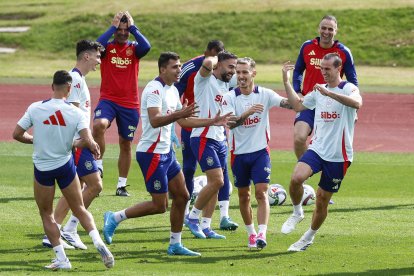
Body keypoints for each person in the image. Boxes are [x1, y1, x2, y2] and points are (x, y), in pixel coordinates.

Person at [101, 52, 232, 256]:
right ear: (162, 69)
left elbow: (184, 121)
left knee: (183, 196)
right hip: (151, 153)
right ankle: (115, 217)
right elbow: (155, 120)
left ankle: (175, 244)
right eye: (175, 67)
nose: (179, 70)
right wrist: (180, 113)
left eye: (180, 66)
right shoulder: (154, 89)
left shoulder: (172, 91)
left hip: (166, 153)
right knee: (159, 205)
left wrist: (211, 121)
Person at [12, 70, 114, 270]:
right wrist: (91, 146)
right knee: (80, 208)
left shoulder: (35, 108)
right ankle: (97, 242)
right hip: (65, 166)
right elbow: (86, 140)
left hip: (43, 168)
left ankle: (62, 259)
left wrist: (34, 139)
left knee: (47, 214)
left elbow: (17, 134)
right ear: (69, 88)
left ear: (52, 87)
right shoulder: (76, 112)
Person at [281, 54, 362, 251]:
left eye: (328, 69)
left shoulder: (349, 89)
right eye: (322, 69)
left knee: (322, 201)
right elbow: (298, 106)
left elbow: (356, 104)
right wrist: (286, 81)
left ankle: (308, 237)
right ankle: (297, 212)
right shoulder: (319, 90)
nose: (323, 72)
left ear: (338, 68)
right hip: (317, 149)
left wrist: (330, 94)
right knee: (296, 178)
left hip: (339, 156)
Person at [222, 57, 292, 249]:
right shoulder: (229, 97)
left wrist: (287, 82)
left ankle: (262, 233)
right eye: (238, 72)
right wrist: (249, 112)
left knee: (261, 193)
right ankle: (251, 233)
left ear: (253, 73)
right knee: (244, 196)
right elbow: (230, 123)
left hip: (260, 152)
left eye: (245, 72)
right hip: (238, 154)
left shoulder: (265, 94)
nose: (241, 76)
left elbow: (290, 104)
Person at [41, 40, 104, 250]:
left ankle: (58, 231)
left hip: (79, 142)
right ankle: (66, 229)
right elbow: (73, 115)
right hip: (79, 144)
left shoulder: (78, 79)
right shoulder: (75, 80)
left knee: (76, 188)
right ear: (86, 56)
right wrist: (87, 141)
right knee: (94, 185)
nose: (99, 61)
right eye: (97, 56)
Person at [292, 14, 358, 205]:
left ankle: (321, 186)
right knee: (299, 138)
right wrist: (297, 91)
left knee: (329, 145)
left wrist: (355, 110)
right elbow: (297, 70)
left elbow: (353, 80)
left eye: (330, 29)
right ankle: (305, 179)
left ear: (335, 31)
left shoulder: (344, 52)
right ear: (318, 29)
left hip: (333, 105)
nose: (326, 32)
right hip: (311, 102)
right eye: (324, 28)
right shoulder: (307, 47)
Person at [175, 40, 239, 231]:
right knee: (217, 180)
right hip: (203, 136)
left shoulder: (224, 84)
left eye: (234, 68)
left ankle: (206, 226)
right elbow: (207, 64)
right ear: (218, 64)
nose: (233, 71)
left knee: (217, 184)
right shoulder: (203, 79)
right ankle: (192, 217)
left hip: (219, 137)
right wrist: (216, 57)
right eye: (230, 67)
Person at [93, 11, 151, 196]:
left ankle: (121, 185)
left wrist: (134, 28)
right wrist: (112, 26)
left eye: (126, 30)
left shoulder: (134, 49)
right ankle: (99, 165)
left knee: (125, 144)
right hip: (108, 100)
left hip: (130, 103)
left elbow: (147, 46)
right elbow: (95, 45)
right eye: (119, 29)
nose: (123, 33)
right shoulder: (107, 48)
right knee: (98, 125)